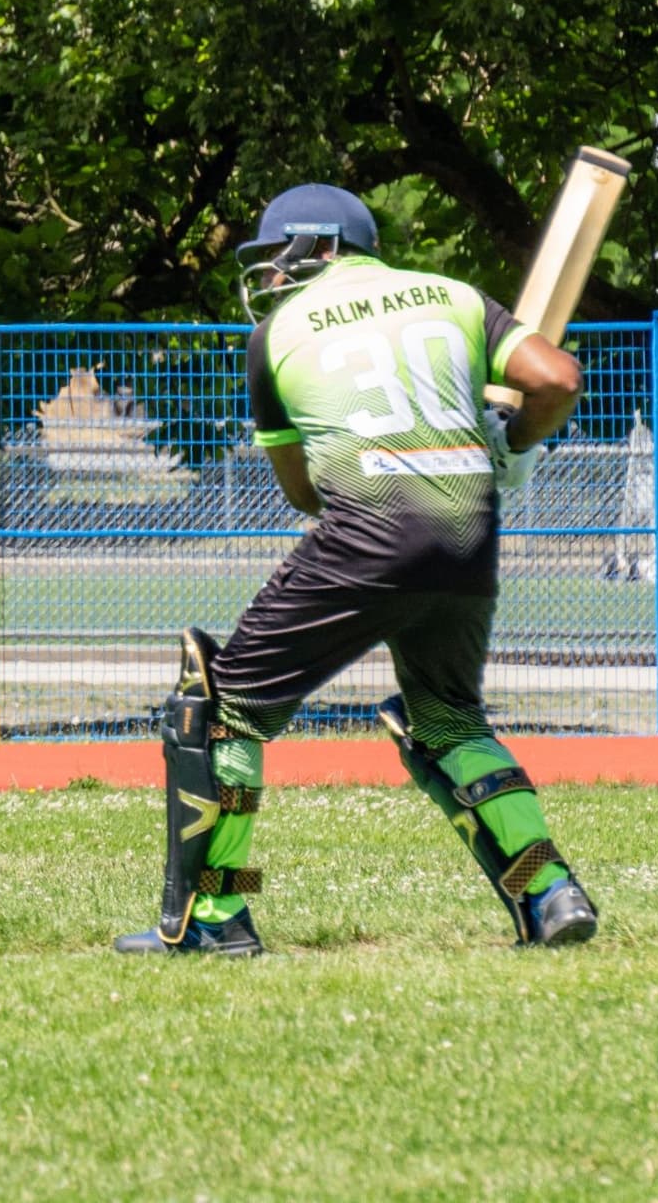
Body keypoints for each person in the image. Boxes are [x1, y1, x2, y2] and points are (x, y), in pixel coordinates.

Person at [114, 184, 600, 956]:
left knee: (224, 705)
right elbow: (558, 381)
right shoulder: (455, 296)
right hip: (469, 532)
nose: (272, 273)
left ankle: (215, 919)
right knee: (449, 722)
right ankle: (548, 891)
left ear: (318, 247)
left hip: (368, 528)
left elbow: (304, 490)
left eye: (279, 256)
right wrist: (505, 442)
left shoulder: (276, 332)